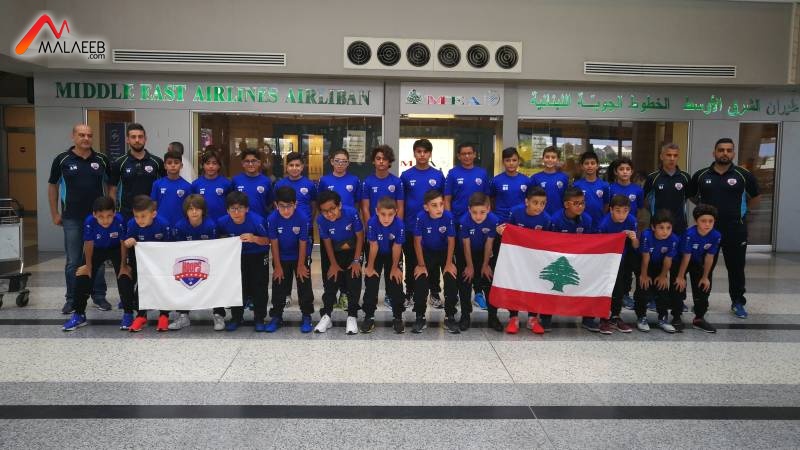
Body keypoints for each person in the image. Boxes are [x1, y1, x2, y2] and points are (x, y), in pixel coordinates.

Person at [690, 138, 759, 319]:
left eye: (729, 150)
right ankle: (701, 303)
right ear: (714, 153)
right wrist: (705, 212)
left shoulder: (743, 175)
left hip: (735, 230)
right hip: (707, 232)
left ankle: (737, 302)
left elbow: (755, 196)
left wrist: (742, 212)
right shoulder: (701, 175)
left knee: (736, 268)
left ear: (733, 153)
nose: (725, 153)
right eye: (721, 150)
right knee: (704, 268)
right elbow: (692, 196)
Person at [48, 124, 112, 314]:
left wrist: (110, 210)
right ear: (73, 136)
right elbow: (53, 186)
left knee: (98, 258)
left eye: (89, 135)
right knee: (73, 261)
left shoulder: (102, 159)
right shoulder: (62, 160)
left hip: (98, 219)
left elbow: (111, 185)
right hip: (72, 218)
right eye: (82, 135)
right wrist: (55, 213)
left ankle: (99, 296)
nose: (86, 138)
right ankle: (72, 299)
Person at [62, 197, 130, 331]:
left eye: (109, 216)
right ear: (94, 215)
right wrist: (88, 266)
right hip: (97, 249)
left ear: (114, 213)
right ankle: (79, 315)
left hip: (116, 248)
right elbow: (88, 244)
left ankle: (128, 314)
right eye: (101, 217)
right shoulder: (89, 221)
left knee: (125, 276)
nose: (105, 220)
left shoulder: (120, 220)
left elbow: (123, 243)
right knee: (83, 276)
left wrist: (123, 266)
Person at [497, 186, 552, 334]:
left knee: (534, 286)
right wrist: (500, 230)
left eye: (543, 203)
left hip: (535, 259)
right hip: (516, 257)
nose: (539, 207)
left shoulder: (546, 219)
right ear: (527, 202)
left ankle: (532, 318)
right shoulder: (516, 212)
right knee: (514, 285)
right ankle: (513, 317)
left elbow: (549, 240)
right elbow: (506, 228)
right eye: (535, 202)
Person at [442, 142, 489, 309]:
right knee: (461, 260)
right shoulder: (453, 174)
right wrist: (449, 220)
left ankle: (479, 293)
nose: (467, 156)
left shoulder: (482, 173)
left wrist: (486, 218)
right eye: (463, 154)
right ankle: (461, 294)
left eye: (470, 153)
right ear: (459, 156)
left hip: (479, 224)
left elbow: (487, 199)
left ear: (475, 154)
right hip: (459, 224)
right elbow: (447, 199)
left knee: (478, 259)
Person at [400, 138, 445, 309]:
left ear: (430, 154)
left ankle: (434, 293)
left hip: (433, 227)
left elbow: (442, 202)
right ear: (414, 153)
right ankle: (410, 292)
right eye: (419, 151)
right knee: (411, 261)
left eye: (425, 152)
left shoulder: (438, 175)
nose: (422, 155)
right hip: (411, 226)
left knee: (433, 263)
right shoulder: (406, 175)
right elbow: (401, 202)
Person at [216, 191, 270, 331]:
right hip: (235, 257)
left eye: (240, 208)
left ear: (247, 209)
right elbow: (216, 241)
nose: (236, 212)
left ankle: (259, 318)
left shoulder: (257, 221)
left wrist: (254, 238)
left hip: (258, 255)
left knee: (259, 287)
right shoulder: (222, 222)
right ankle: (236, 317)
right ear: (227, 210)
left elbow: (268, 241)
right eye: (233, 209)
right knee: (236, 287)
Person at [169, 194, 222, 331]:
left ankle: (218, 314)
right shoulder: (180, 226)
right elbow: (175, 249)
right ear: (186, 211)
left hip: (208, 262)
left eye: (197, 209)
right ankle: (183, 316)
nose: (194, 212)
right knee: (182, 283)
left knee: (216, 283)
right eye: (190, 209)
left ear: (203, 211)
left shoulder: (210, 225)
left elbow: (217, 247)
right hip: (187, 263)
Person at [119, 195, 172, 332]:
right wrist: (129, 242)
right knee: (141, 286)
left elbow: (171, 246)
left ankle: (164, 315)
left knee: (162, 285)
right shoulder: (132, 224)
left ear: (153, 214)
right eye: (136, 216)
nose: (139, 220)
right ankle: (141, 315)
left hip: (161, 263)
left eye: (143, 216)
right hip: (140, 261)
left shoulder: (163, 224)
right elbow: (126, 242)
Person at [266, 186, 315, 333]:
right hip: (281, 257)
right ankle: (277, 316)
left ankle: (306, 316)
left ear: (295, 204)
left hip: (300, 256)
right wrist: (277, 266)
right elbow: (274, 243)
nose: (286, 210)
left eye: (289, 206)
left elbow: (303, 242)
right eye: (282, 206)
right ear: (276, 205)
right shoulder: (272, 218)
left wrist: (301, 265)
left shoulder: (303, 218)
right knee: (279, 286)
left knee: (304, 286)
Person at [550, 186, 598, 332]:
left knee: (587, 285)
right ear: (566, 204)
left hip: (580, 260)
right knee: (552, 286)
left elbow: (591, 242)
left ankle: (588, 318)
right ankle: (546, 317)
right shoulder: (555, 220)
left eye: (582, 203)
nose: (580, 206)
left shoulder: (587, 220)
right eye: (576, 203)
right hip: (558, 260)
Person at [315, 190, 364, 334]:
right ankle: (326, 315)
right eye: (325, 211)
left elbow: (360, 236)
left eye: (332, 209)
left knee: (353, 280)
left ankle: (352, 316)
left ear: (339, 205)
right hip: (334, 252)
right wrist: (333, 264)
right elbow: (327, 242)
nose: (329, 214)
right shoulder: (321, 220)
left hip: (353, 251)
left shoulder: (352, 213)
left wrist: (356, 260)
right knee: (331, 281)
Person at [412, 189, 457, 334]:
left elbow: (451, 241)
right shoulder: (421, 217)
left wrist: (449, 263)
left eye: (441, 204)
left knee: (451, 279)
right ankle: (420, 317)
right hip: (426, 253)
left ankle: (450, 317)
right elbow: (417, 241)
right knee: (420, 281)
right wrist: (421, 265)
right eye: (434, 205)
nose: (439, 208)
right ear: (426, 207)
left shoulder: (448, 216)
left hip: (444, 253)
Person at [674, 204, 723, 333]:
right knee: (678, 285)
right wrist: (680, 276)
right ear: (696, 221)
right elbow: (686, 257)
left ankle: (699, 318)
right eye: (703, 221)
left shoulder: (716, 235)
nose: (707, 224)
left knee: (704, 286)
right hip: (681, 260)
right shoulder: (689, 234)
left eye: (711, 221)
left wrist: (705, 277)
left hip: (697, 261)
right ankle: (676, 317)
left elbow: (710, 257)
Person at [455, 192, 498, 333]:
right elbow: (466, 245)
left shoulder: (493, 220)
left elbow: (489, 243)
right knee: (465, 281)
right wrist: (470, 266)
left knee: (489, 280)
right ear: (469, 210)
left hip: (484, 253)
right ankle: (465, 316)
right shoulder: (464, 221)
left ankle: (493, 316)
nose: (478, 216)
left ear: (488, 209)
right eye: (474, 212)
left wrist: (485, 265)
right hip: (465, 254)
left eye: (482, 212)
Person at [363, 196, 406, 334]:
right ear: (377, 211)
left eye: (390, 214)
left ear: (396, 212)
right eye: (383, 214)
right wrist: (370, 267)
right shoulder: (372, 223)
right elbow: (373, 246)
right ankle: (369, 316)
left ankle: (397, 317)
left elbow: (397, 247)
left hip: (392, 254)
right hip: (376, 254)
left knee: (395, 282)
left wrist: (394, 268)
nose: (386, 218)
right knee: (371, 282)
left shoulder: (399, 225)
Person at [596, 195, 638, 335]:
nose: (622, 215)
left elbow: (636, 246)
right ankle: (603, 318)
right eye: (618, 211)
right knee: (606, 288)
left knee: (619, 289)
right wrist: (618, 236)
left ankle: (615, 316)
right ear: (611, 210)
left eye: (625, 211)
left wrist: (633, 238)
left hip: (622, 259)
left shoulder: (631, 220)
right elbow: (599, 246)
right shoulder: (604, 224)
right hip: (605, 260)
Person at [108, 123, 165, 220]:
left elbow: (164, 187)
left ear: (145, 139)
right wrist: (112, 212)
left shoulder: (157, 162)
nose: (137, 140)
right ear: (127, 140)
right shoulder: (119, 163)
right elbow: (113, 190)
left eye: (140, 137)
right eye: (133, 137)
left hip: (151, 213)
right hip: (126, 214)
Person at [635, 210, 679, 334]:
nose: (665, 231)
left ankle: (663, 318)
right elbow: (645, 257)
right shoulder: (646, 235)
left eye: (668, 228)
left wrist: (663, 276)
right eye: (661, 227)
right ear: (653, 227)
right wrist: (644, 275)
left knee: (663, 290)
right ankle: (641, 317)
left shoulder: (674, 239)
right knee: (643, 289)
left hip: (660, 266)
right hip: (644, 264)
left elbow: (668, 259)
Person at [643, 143, 693, 235]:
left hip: (679, 225)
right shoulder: (652, 178)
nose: (672, 158)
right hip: (658, 225)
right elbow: (644, 200)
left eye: (675, 155)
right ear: (661, 157)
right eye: (669, 155)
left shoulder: (685, 177)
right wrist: (655, 213)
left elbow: (690, 197)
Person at [150, 150, 192, 226]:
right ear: (165, 166)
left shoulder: (187, 186)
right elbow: (153, 206)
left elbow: (189, 208)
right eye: (169, 163)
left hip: (180, 225)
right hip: (160, 224)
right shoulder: (157, 184)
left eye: (176, 163)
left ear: (181, 165)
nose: (173, 165)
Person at [191, 147, 232, 221]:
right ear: (203, 165)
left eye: (214, 163)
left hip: (222, 222)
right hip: (202, 223)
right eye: (207, 163)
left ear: (219, 166)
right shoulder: (195, 184)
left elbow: (231, 204)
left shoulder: (227, 183)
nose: (211, 166)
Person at [232, 148, 273, 219]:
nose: (250, 164)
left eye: (253, 161)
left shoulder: (266, 181)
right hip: (240, 221)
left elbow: (269, 202)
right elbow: (231, 202)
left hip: (261, 220)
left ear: (259, 163)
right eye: (247, 161)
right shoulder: (236, 180)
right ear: (243, 163)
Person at [572, 150, 610, 225]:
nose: (590, 166)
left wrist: (602, 216)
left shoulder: (604, 185)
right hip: (581, 223)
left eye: (592, 163)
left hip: (599, 223)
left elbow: (606, 205)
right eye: (586, 163)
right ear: (582, 166)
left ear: (597, 165)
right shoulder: (576, 185)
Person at [530, 146, 569, 216]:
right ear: (543, 159)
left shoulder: (564, 177)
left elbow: (566, 198)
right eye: (547, 157)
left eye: (553, 157)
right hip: (540, 215)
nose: (550, 160)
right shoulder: (535, 178)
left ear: (558, 160)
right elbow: (531, 199)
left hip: (559, 215)